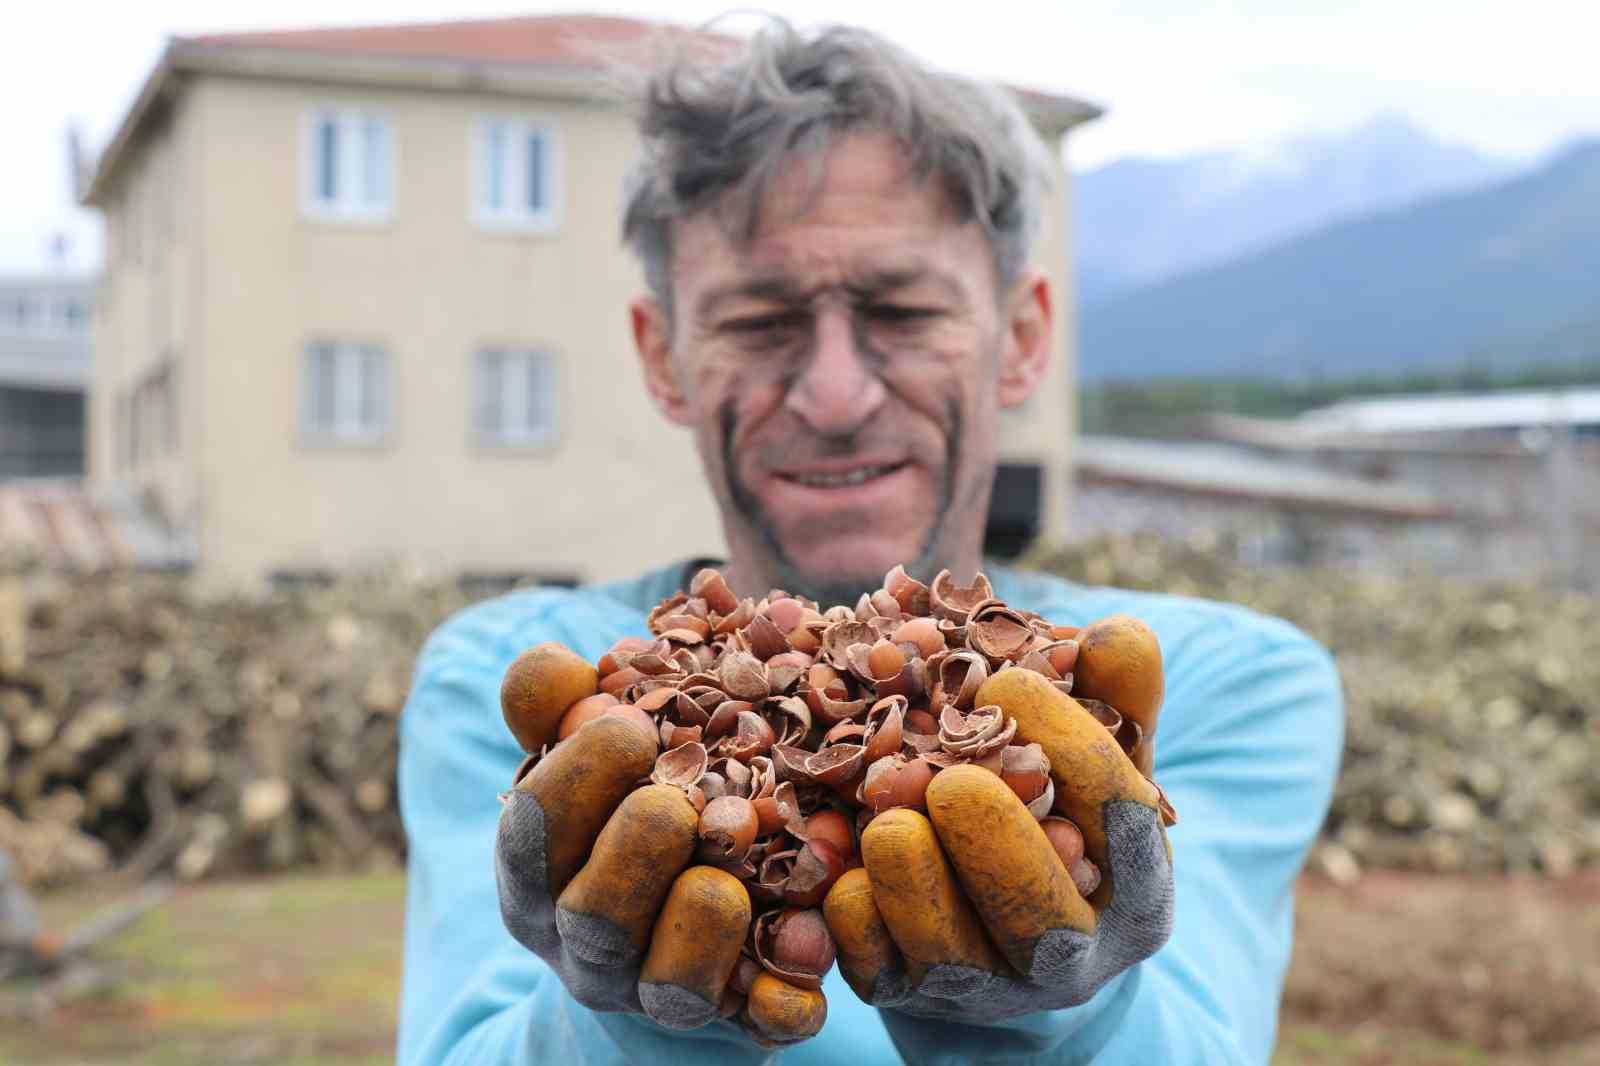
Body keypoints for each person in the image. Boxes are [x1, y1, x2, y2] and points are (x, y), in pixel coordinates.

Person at [395, 18, 1343, 1066]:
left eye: (902, 312)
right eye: (760, 324)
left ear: (1022, 338)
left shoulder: (1221, 680)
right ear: (663, 358)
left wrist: (1060, 1011)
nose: (837, 396)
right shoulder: (508, 681)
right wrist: (630, 1016)